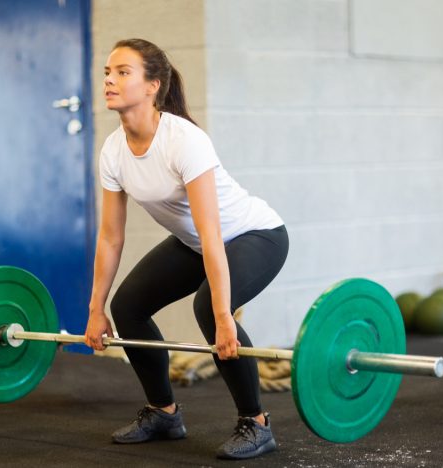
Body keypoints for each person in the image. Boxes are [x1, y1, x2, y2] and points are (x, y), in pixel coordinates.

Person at [84, 38, 289, 460]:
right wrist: (95, 308)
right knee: (128, 307)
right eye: (108, 72)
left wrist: (223, 318)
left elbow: (212, 230)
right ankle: (164, 412)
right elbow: (110, 237)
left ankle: (257, 422)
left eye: (123, 72)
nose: (109, 80)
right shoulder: (113, 151)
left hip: (256, 235)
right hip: (196, 243)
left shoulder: (184, 140)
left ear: (152, 85)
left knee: (207, 306)